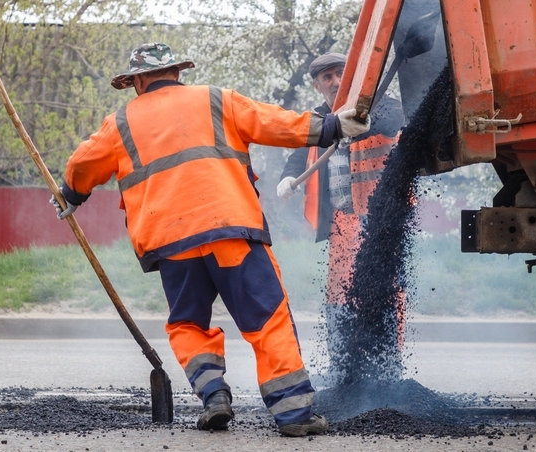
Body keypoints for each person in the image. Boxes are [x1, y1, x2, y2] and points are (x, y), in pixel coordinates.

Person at [49, 43, 370, 437]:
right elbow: (274, 123)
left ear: (137, 82)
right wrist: (332, 127)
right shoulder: (216, 99)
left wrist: (71, 194)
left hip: (172, 244)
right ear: (176, 72)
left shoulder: (119, 123)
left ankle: (214, 395)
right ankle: (294, 414)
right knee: (267, 318)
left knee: (187, 322)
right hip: (229, 229)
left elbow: (83, 165)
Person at [276, 52, 405, 359]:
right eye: (327, 77)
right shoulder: (318, 122)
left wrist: (365, 121)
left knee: (386, 289)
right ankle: (342, 361)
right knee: (340, 292)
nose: (335, 82)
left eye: (340, 74)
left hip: (380, 220)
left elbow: (397, 119)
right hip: (342, 221)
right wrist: (288, 177)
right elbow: (298, 153)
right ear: (317, 85)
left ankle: (389, 361)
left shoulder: (378, 105)